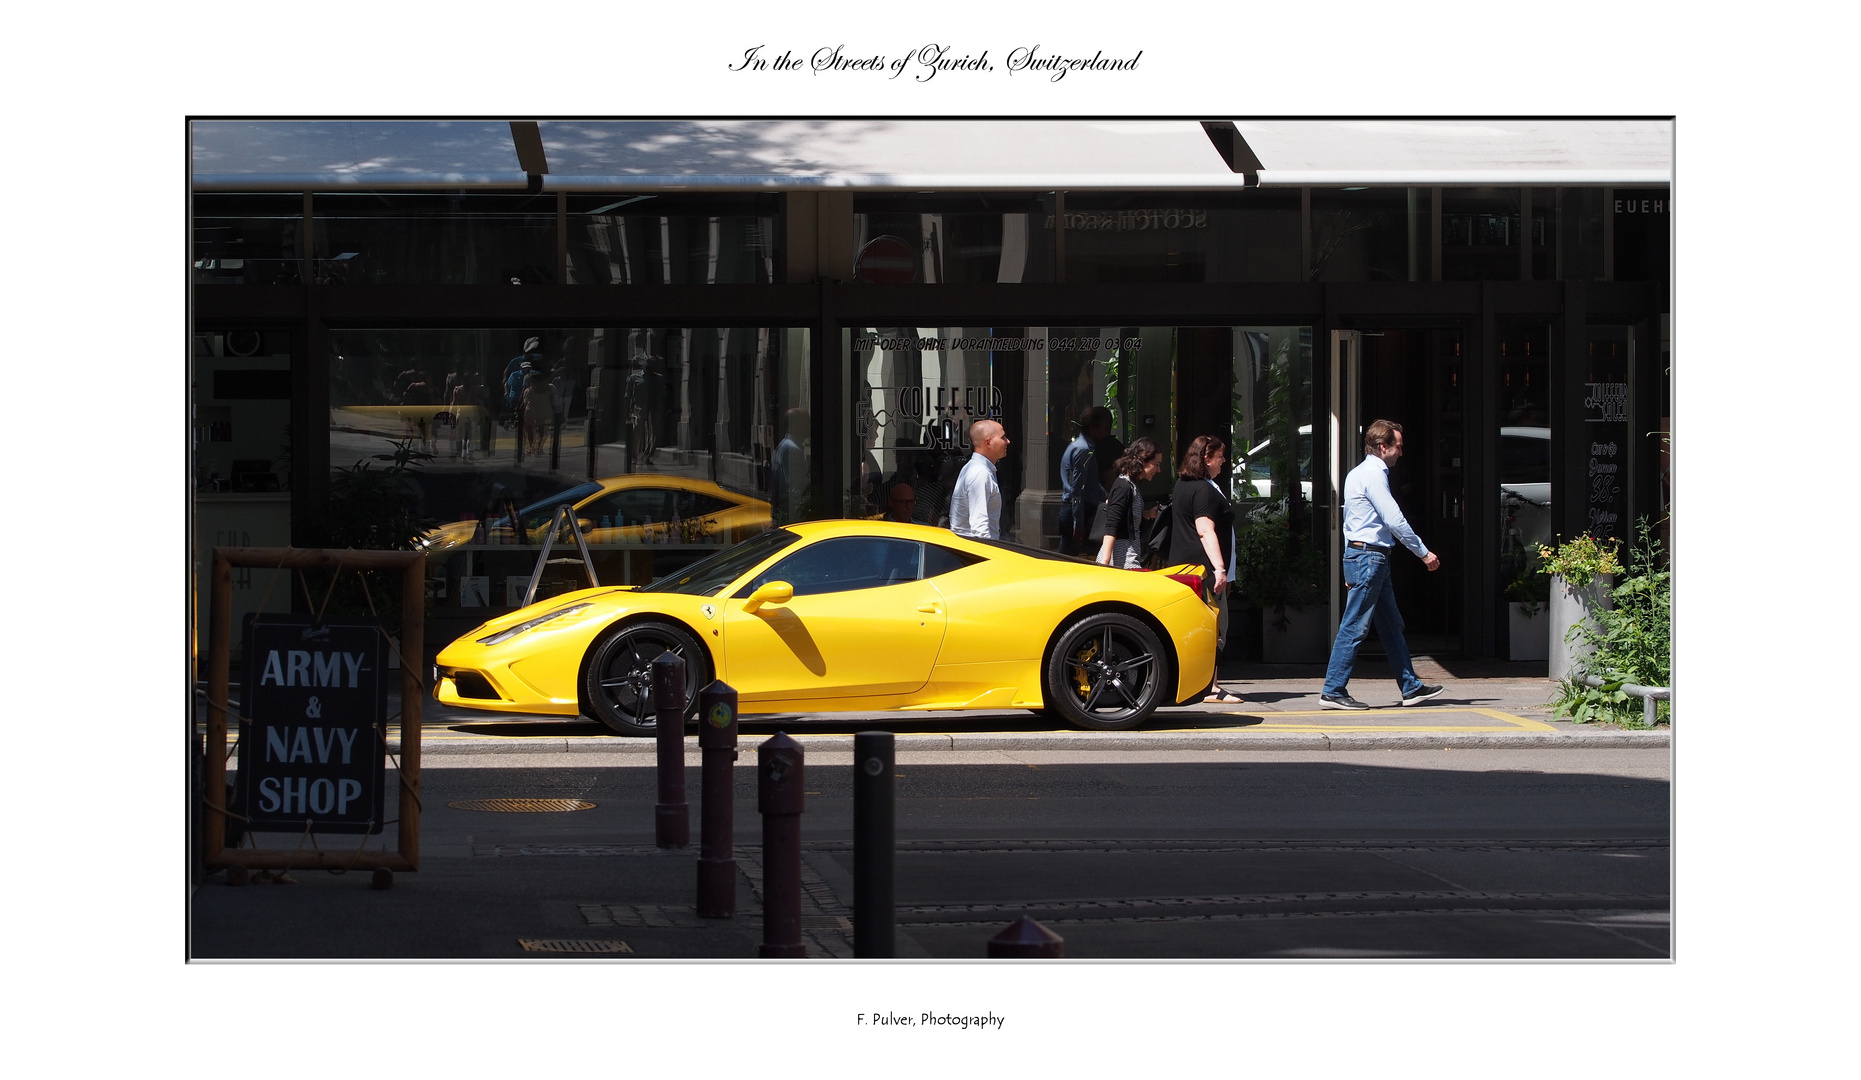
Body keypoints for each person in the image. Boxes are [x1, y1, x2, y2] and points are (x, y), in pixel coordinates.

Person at [1320, 419, 1446, 710]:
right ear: (1382, 447)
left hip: (1366, 556)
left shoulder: (1357, 473)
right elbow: (1394, 519)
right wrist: (1423, 553)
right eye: (1397, 447)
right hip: (1369, 558)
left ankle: (1411, 687)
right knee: (1355, 625)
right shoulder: (1375, 475)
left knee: (1390, 625)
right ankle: (1333, 688)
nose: (1400, 453)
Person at [1168, 435, 1243, 704]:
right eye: (1220, 456)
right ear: (1206, 458)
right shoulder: (1202, 490)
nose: (1224, 461)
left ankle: (1204, 684)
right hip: (1203, 572)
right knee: (1215, 628)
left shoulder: (1184, 485)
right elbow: (1204, 529)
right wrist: (1220, 568)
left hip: (1185, 567)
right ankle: (1210, 686)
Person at [1094, 437, 1163, 569]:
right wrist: (1104, 563)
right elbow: (1112, 525)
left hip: (1127, 557)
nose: (1159, 470)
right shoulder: (1124, 487)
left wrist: (1145, 513)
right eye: (1156, 464)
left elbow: (1124, 518)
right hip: (1122, 561)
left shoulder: (1131, 485)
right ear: (1142, 461)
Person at [1058, 406, 1112, 555]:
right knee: (1067, 561)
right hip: (1076, 513)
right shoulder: (1083, 450)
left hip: (1076, 511)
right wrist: (1078, 524)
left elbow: (1088, 482)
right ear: (1093, 428)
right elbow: (1078, 490)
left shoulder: (1083, 448)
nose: (1107, 433)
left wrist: (1106, 496)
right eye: (1105, 428)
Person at [949, 419, 1010, 540]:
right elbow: (980, 528)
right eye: (1003, 437)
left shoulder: (980, 470)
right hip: (978, 551)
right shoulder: (980, 473)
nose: (1008, 441)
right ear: (988, 443)